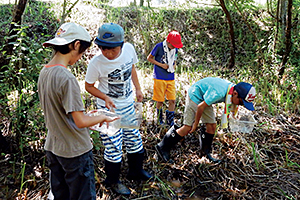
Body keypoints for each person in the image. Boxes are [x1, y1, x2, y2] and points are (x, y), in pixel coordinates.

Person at [38, 22, 119, 200]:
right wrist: (102, 116)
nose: (79, 57)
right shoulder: (67, 77)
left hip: (53, 147)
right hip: (74, 151)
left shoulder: (44, 72)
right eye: (81, 52)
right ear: (75, 45)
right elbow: (80, 122)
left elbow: (62, 113)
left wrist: (88, 115)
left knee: (61, 195)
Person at [85, 23, 152, 196]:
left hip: (128, 104)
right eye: (103, 49)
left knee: (134, 139)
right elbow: (88, 86)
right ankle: (112, 181)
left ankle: (136, 171)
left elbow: (131, 68)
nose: (107, 53)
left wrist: (138, 88)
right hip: (108, 111)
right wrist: (105, 97)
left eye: (112, 49)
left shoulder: (129, 49)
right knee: (113, 146)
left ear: (121, 45)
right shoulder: (96, 63)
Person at [155, 77, 256, 163]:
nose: (240, 105)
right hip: (195, 95)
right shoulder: (219, 93)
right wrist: (195, 124)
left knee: (212, 126)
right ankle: (162, 147)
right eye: (241, 102)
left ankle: (205, 152)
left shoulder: (231, 90)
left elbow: (207, 104)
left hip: (205, 98)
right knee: (187, 128)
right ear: (235, 93)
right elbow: (200, 107)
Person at [147, 30, 183, 126]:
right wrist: (161, 65)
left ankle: (170, 121)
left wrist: (174, 65)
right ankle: (160, 120)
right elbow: (149, 58)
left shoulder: (175, 49)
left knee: (172, 100)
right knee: (160, 100)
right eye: (173, 45)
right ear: (168, 42)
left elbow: (174, 59)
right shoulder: (159, 46)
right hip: (159, 76)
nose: (174, 47)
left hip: (170, 76)